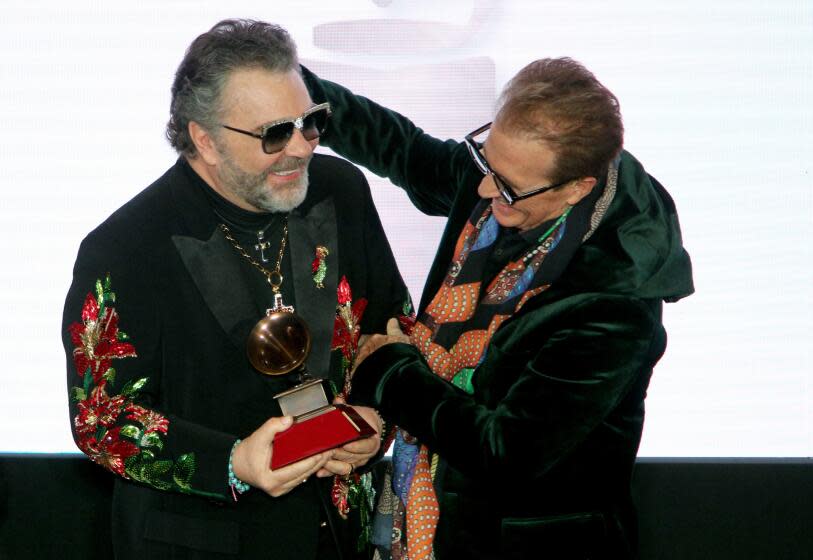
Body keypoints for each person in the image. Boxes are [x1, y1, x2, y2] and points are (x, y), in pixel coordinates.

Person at [302, 57, 694, 559]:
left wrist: (390, 371)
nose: (485, 189)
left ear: (579, 187)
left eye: (505, 186)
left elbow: (506, 452)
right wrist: (298, 92)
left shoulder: (614, 307)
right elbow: (401, 149)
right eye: (485, 162)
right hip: (434, 520)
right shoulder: (513, 177)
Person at [61, 20, 409, 560]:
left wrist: (376, 422)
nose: (301, 148)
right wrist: (235, 461)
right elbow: (102, 418)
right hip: (204, 542)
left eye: (311, 123)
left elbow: (394, 331)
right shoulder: (126, 247)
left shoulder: (342, 193)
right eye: (275, 133)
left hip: (339, 536)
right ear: (206, 139)